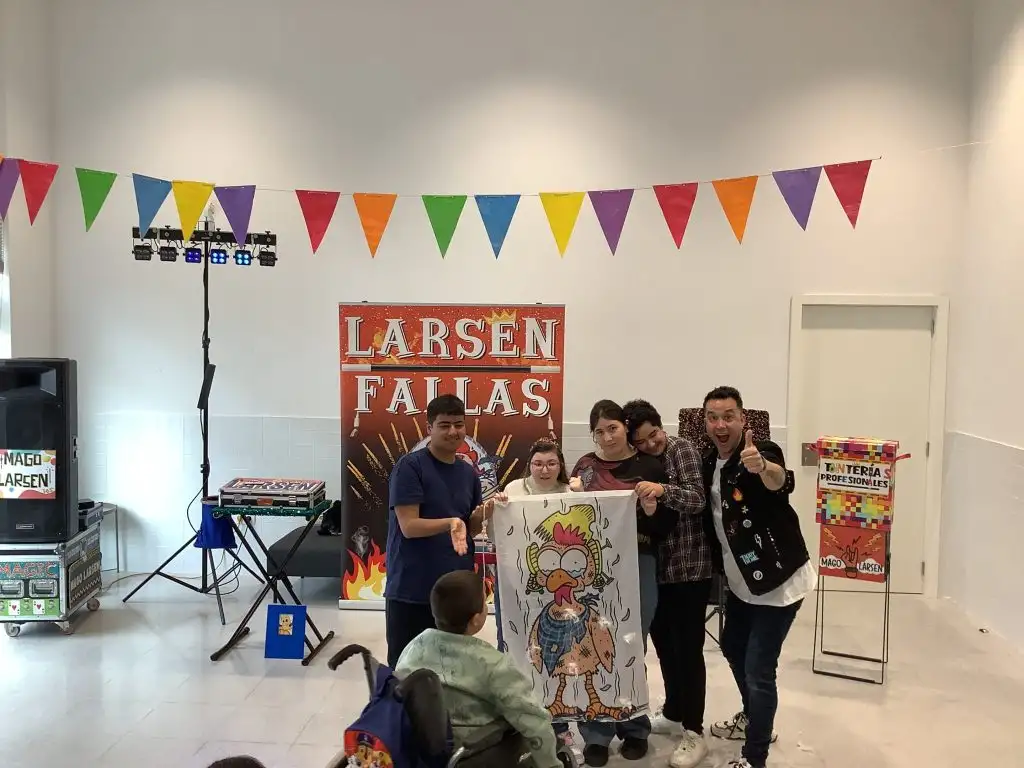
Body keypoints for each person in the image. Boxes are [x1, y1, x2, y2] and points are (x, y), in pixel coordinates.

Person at [700, 386, 815, 768]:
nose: (721, 425)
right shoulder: (708, 462)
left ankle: (755, 757)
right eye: (713, 417)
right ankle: (753, 719)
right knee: (733, 647)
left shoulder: (761, 452)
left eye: (728, 416)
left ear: (742, 419)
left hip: (779, 584)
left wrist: (763, 467)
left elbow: (780, 480)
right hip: (741, 583)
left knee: (759, 670)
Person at [568, 399, 678, 766]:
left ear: (625, 428)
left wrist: (651, 511)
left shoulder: (650, 466)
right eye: (598, 431)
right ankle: (595, 733)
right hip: (591, 569)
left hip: (637, 563)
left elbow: (666, 526)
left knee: (630, 645)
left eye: (612, 428)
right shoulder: (585, 467)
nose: (606, 437)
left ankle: (634, 726)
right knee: (590, 646)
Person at [396, 570, 562, 768]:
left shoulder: (414, 648)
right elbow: (533, 719)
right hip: (472, 752)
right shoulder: (492, 664)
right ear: (476, 619)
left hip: (419, 748)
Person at [621, 399, 710, 768]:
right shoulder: (637, 461)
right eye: (641, 441)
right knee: (664, 647)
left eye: (654, 434)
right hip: (656, 569)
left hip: (690, 567)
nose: (651, 444)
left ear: (662, 426)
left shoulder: (681, 449)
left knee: (688, 651)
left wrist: (661, 490)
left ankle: (694, 730)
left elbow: (698, 499)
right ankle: (674, 710)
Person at [385, 394, 494, 667]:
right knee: (407, 672)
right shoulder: (410, 467)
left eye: (459, 424)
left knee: (451, 673)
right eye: (444, 425)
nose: (453, 431)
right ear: (429, 428)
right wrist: (451, 522)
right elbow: (409, 526)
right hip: (413, 590)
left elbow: (465, 530)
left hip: (454, 594)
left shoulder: (468, 473)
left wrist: (480, 517)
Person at [491, 437, 571, 651]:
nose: (544, 470)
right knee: (510, 629)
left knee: (552, 632)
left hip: (556, 577)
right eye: (538, 464)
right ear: (530, 465)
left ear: (560, 465)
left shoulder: (570, 493)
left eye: (551, 463)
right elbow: (498, 534)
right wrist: (499, 509)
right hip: (516, 573)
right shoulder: (514, 489)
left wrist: (581, 495)